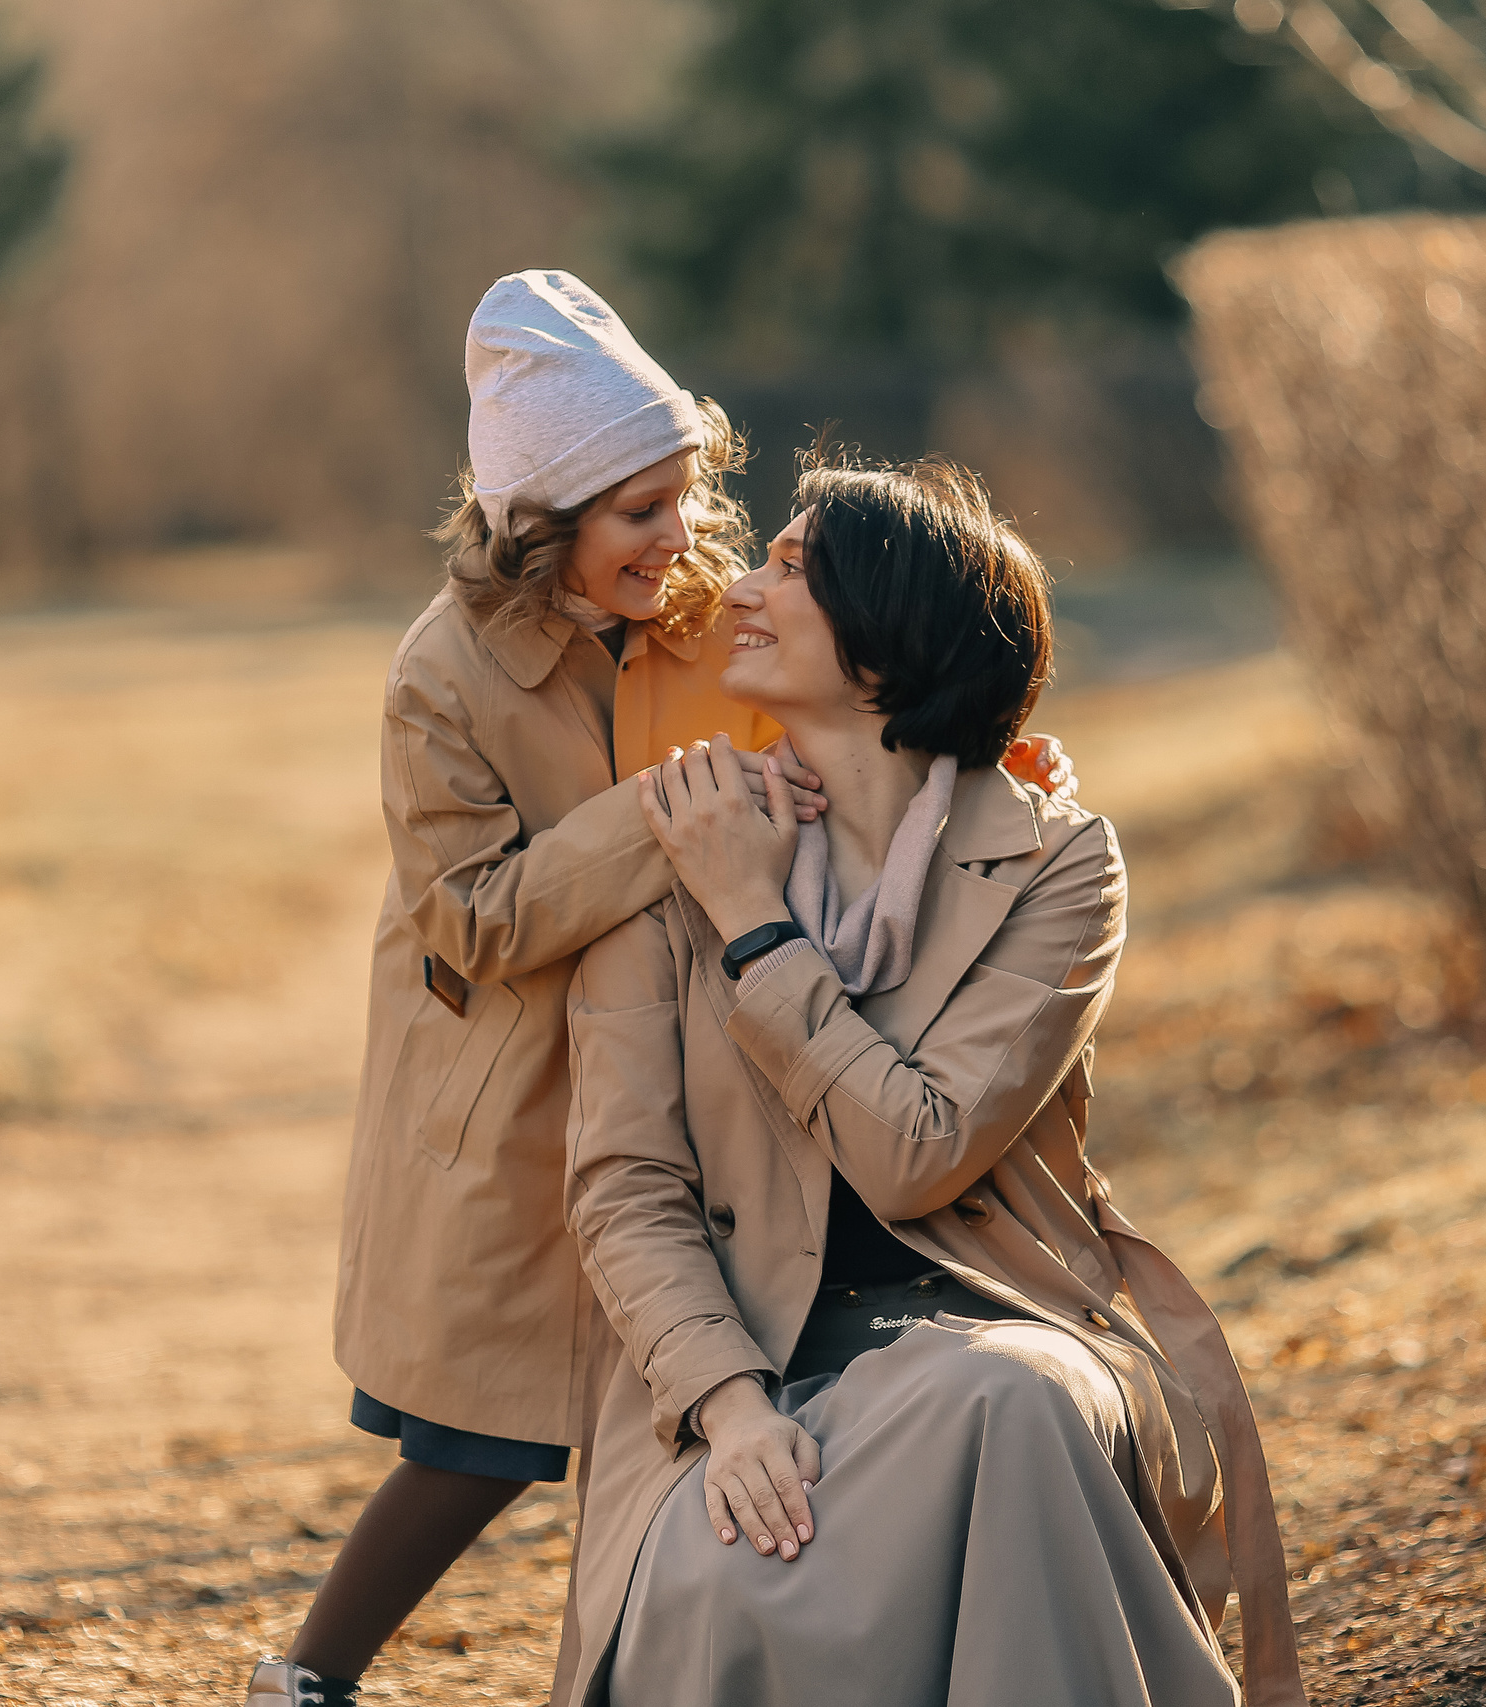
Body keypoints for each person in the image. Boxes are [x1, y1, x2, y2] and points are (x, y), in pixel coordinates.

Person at [243, 275, 1069, 1707]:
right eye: (638, 510)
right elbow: (470, 916)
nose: (681, 535)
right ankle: (308, 1676)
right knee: (482, 1434)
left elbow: (849, 719)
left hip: (707, 1059)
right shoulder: (441, 675)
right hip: (519, 1086)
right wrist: (658, 816)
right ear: (538, 518)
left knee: (685, 1374)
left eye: (685, 496)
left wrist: (976, 767)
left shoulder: (711, 620)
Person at [558, 458, 1304, 1706]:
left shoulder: (1057, 865)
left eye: (791, 569)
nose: (738, 589)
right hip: (742, 1357)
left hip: (997, 1313)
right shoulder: (681, 836)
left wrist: (756, 927)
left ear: (886, 637)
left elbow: (918, 1153)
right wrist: (730, 1407)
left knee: (1011, 1403)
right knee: (732, 1573)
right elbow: (624, 1187)